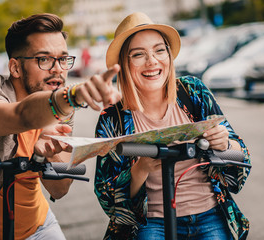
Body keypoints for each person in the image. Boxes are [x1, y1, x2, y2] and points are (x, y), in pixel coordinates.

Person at [0, 13, 121, 240]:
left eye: (63, 59)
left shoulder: (59, 104)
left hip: (41, 226)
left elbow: (60, 188)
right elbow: (21, 115)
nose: (58, 69)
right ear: (15, 67)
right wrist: (70, 97)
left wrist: (46, 155)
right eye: (44, 59)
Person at [94, 12, 251, 240]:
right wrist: (140, 169)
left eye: (159, 50)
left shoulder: (193, 92)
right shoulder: (112, 119)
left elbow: (241, 157)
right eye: (138, 54)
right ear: (124, 65)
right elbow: (107, 198)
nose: (152, 61)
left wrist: (225, 144)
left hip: (209, 214)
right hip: (151, 222)